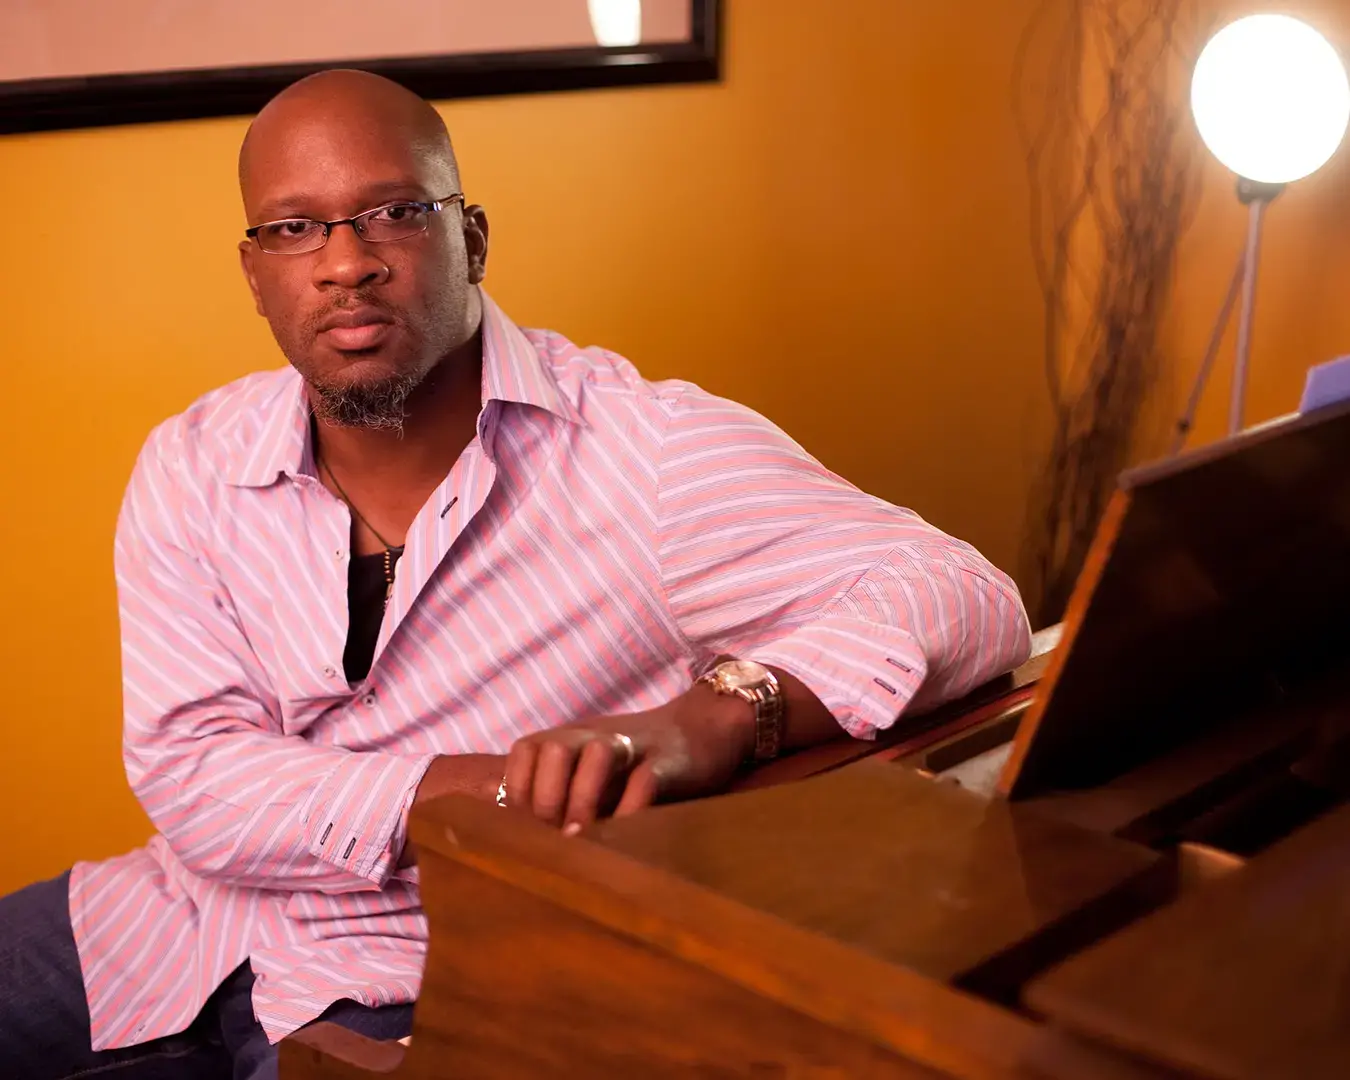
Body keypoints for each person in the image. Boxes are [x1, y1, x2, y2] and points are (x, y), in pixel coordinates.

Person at [0, 70, 1031, 1080]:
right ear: (256, 271)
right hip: (179, 916)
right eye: (294, 228)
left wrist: (706, 722)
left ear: (473, 240)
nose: (345, 264)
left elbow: (963, 595)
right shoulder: (192, 464)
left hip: (433, 956)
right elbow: (196, 777)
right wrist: (496, 786)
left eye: (394, 212)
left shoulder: (645, 452)